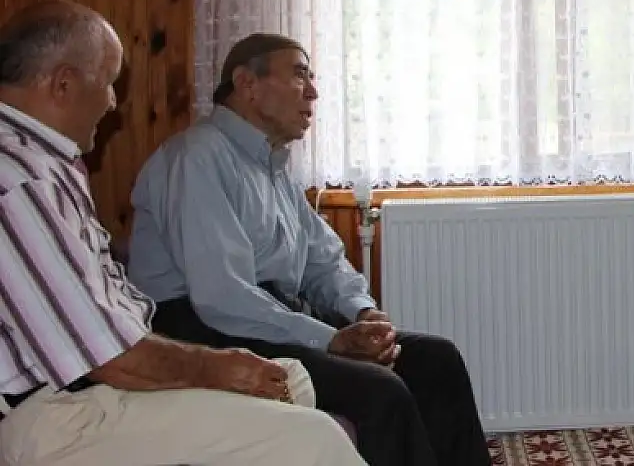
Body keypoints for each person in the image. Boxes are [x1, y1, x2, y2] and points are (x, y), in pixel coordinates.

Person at [0, 0, 365, 466]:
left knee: (290, 378)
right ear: (63, 84)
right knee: (314, 437)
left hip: (90, 382)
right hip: (51, 413)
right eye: (109, 83)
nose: (112, 102)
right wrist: (216, 366)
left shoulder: (45, 165)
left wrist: (356, 311)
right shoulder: (21, 182)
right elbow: (107, 355)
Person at [127, 33, 490, 466]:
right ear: (247, 84)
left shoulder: (273, 166)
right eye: (300, 75)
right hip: (203, 329)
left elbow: (324, 259)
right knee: (381, 393)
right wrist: (330, 339)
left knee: (436, 359)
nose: (313, 92)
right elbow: (223, 297)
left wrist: (362, 313)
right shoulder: (195, 158)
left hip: (266, 316)